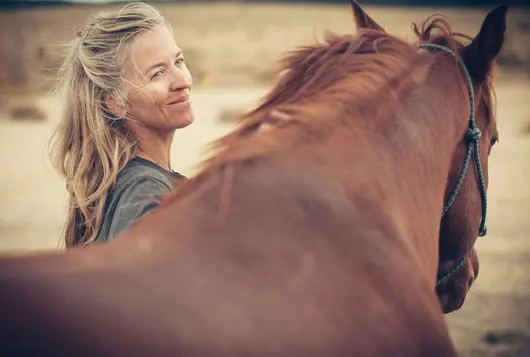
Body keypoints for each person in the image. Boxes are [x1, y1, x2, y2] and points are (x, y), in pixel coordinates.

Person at [48, 1, 192, 248]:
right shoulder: (146, 191)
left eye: (178, 62)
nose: (182, 81)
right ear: (115, 102)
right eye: (156, 73)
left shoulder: (121, 183)